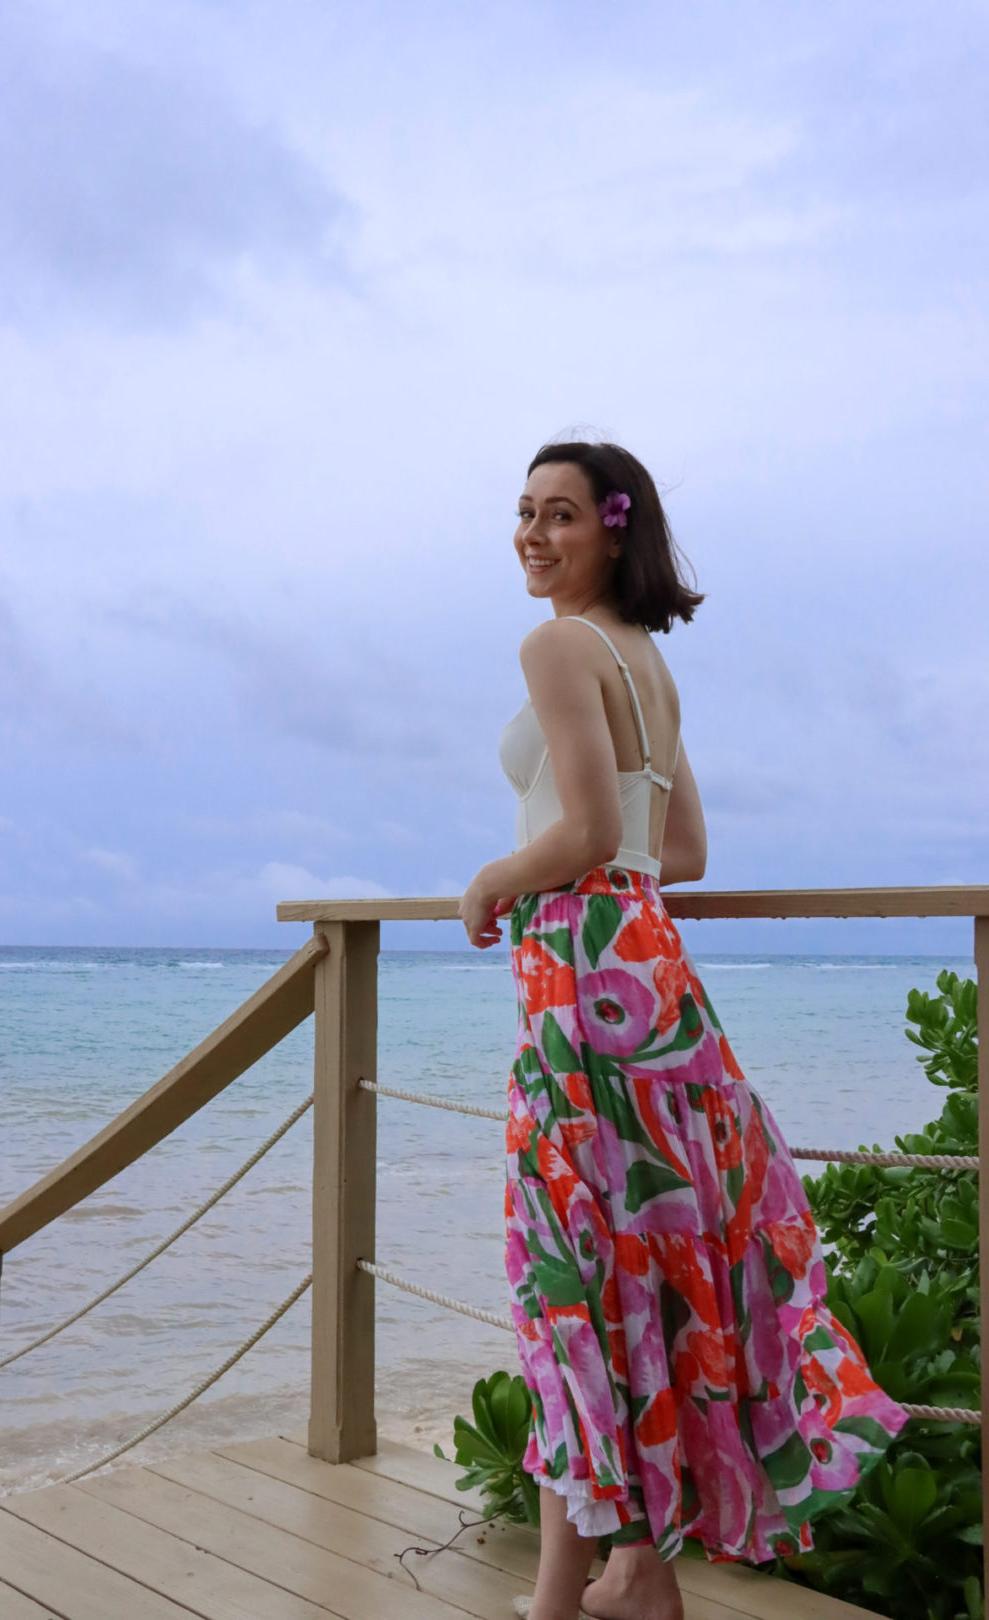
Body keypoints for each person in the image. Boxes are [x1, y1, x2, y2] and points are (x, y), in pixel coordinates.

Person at [458, 441, 907, 1620]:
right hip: (652, 972)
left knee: (573, 1270)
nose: (532, 534)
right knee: (630, 1265)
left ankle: (580, 1592)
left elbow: (593, 829)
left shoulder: (558, 645)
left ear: (614, 530)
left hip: (584, 978)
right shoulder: (643, 661)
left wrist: (493, 878)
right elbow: (684, 850)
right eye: (522, 512)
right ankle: (631, 1571)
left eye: (558, 515)